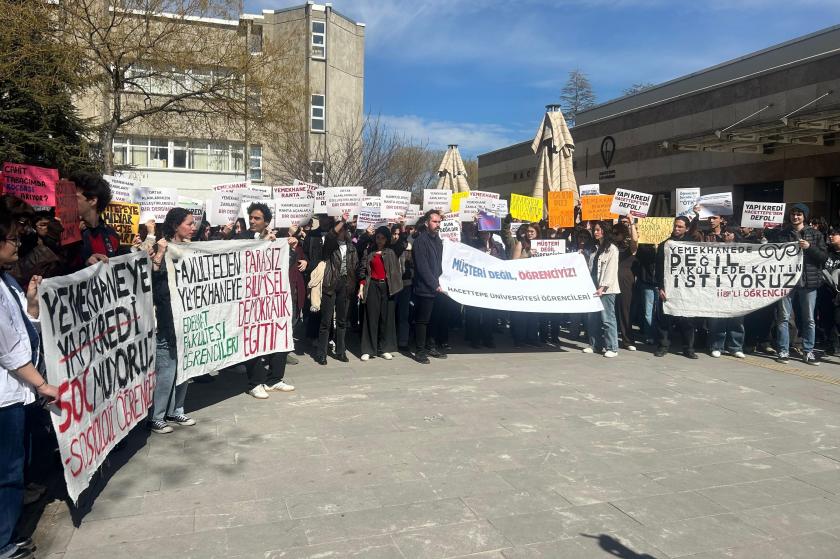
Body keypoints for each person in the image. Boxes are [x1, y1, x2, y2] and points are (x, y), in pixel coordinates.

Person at [0, 208, 58, 559]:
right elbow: (7, 349)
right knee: (7, 471)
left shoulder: (7, 281)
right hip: (7, 396)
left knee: (13, 467)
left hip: (17, 393)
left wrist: (32, 305)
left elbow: (24, 332)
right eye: (11, 239)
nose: (17, 244)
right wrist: (41, 384)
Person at [235, 203, 295, 397]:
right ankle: (255, 383)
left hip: (272, 297)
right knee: (253, 338)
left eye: (257, 218)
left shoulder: (276, 239)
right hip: (250, 298)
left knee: (279, 332)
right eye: (251, 217)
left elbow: (284, 265)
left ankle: (275, 379)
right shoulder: (241, 238)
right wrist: (261, 243)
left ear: (266, 222)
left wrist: (291, 250)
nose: (252, 221)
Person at [147, 208, 198, 433]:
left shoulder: (195, 249)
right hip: (167, 317)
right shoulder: (161, 246)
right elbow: (150, 281)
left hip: (188, 317)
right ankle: (157, 416)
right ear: (176, 225)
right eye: (189, 223)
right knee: (166, 369)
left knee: (185, 365)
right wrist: (158, 255)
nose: (193, 227)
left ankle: (176, 410)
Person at [774, 203, 827, 365]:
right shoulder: (782, 234)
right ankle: (783, 350)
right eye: (793, 214)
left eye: (799, 214)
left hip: (808, 283)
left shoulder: (815, 234)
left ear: (804, 216)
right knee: (783, 318)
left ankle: (808, 351)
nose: (795, 217)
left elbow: (823, 258)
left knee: (809, 319)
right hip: (787, 282)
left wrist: (809, 247)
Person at [357, 226, 404, 361]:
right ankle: (368, 349)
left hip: (388, 287)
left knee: (386, 318)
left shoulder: (391, 251)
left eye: (383, 238)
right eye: (378, 237)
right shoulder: (369, 251)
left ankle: (384, 348)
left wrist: (402, 226)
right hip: (372, 286)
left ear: (387, 239)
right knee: (371, 317)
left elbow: (401, 244)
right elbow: (363, 271)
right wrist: (361, 287)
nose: (380, 240)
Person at [654, 216, 698, 359]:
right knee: (664, 318)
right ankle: (663, 346)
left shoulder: (692, 244)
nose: (676, 229)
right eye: (675, 226)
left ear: (686, 228)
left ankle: (688, 348)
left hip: (686, 289)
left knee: (687, 320)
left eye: (680, 227)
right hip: (668, 288)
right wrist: (660, 287)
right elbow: (659, 268)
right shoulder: (665, 244)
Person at [315, 218, 357, 365]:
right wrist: (341, 221)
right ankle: (322, 353)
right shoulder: (330, 245)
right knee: (326, 321)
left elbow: (354, 267)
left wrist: (353, 285)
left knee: (342, 321)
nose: (343, 232)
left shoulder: (351, 247)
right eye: (341, 229)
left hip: (345, 285)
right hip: (331, 283)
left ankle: (341, 351)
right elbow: (330, 236)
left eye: (345, 229)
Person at [412, 210, 447, 364]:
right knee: (422, 320)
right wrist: (434, 285)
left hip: (438, 288)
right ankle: (419, 351)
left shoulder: (438, 240)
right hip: (425, 289)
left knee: (435, 319)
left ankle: (430, 346)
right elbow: (422, 267)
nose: (437, 224)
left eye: (439, 222)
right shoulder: (421, 241)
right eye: (434, 221)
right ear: (427, 223)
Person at [583, 221, 620, 358]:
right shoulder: (594, 248)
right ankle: (594, 344)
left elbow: (611, 270)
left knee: (607, 318)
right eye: (594, 230)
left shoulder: (612, 249)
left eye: (598, 230)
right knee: (592, 317)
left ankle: (612, 347)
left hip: (607, 288)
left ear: (604, 231)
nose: (595, 232)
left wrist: (603, 287)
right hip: (593, 284)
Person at [70, 171, 120, 270]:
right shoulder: (65, 233)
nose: (68, 201)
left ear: (92, 200)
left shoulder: (112, 236)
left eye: (74, 197)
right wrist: (84, 265)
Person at [510, 223, 542, 348]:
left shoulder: (541, 246)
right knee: (521, 313)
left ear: (537, 233)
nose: (529, 234)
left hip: (536, 284)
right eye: (528, 231)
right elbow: (513, 263)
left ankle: (532, 337)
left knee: (533, 313)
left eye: (532, 232)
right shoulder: (521, 244)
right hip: (523, 283)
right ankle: (519, 338)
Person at [613, 221, 638, 351]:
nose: (614, 235)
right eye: (613, 233)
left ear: (623, 234)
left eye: (616, 233)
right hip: (610, 280)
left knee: (624, 310)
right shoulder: (610, 247)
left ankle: (627, 340)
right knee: (610, 310)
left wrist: (632, 223)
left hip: (625, 281)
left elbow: (634, 239)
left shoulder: (629, 248)